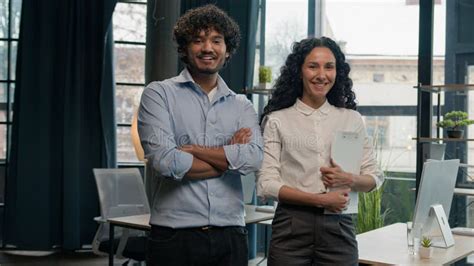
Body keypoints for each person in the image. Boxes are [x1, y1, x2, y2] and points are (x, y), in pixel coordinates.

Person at [138, 4, 263, 266]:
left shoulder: (242, 105)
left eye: (216, 40)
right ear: (185, 48)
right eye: (198, 40)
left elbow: (253, 159)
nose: (208, 48)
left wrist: (194, 150)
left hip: (231, 235)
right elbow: (165, 162)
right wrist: (228, 159)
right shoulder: (158, 94)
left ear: (227, 50)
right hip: (173, 237)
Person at [257, 37, 384, 265]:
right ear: (299, 71)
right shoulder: (277, 120)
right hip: (291, 227)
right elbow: (266, 184)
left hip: (339, 226)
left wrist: (350, 179)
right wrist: (321, 200)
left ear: (338, 72)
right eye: (313, 66)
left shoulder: (351, 119)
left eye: (329, 67)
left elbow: (375, 177)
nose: (321, 75)